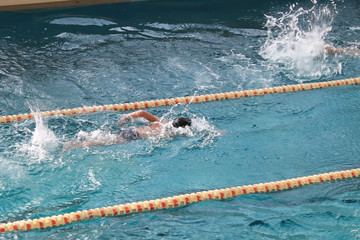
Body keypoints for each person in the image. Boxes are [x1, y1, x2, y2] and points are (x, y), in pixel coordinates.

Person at [63, 110, 192, 150]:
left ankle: (75, 141)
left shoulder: (161, 122)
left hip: (131, 130)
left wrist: (125, 118)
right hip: (133, 136)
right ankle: (73, 145)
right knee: (101, 142)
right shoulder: (170, 134)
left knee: (103, 137)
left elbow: (142, 112)